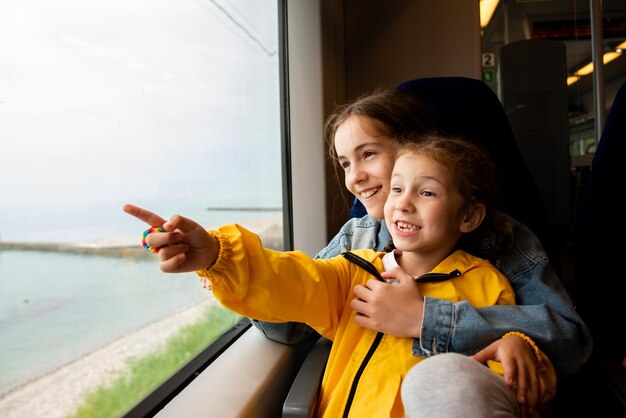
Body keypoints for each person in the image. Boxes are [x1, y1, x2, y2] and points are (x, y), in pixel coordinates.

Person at [124, 135, 555, 418]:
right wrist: (217, 254)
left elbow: (496, 382)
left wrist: (521, 345)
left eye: (426, 193)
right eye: (398, 189)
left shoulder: (486, 282)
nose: (403, 204)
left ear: (469, 216)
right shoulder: (356, 271)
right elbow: (288, 280)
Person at [249, 87, 591, 416]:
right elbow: (289, 327)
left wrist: (427, 319)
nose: (355, 178)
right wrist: (231, 268)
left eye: (368, 154)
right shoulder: (358, 238)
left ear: (417, 148)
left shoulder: (502, 237)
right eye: (345, 164)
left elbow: (568, 340)